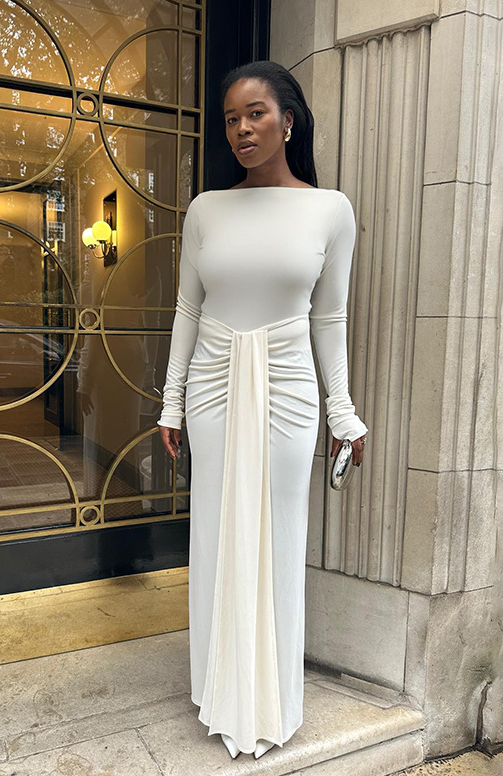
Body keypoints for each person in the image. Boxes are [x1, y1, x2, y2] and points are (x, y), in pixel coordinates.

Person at [156, 60, 369, 760]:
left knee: (279, 536)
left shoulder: (330, 210)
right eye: (231, 119)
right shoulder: (205, 210)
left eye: (255, 114)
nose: (241, 129)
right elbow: (188, 310)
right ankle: (218, 690)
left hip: (288, 387)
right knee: (216, 531)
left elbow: (329, 318)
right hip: (214, 383)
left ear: (288, 120)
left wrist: (343, 413)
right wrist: (171, 403)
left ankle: (271, 699)